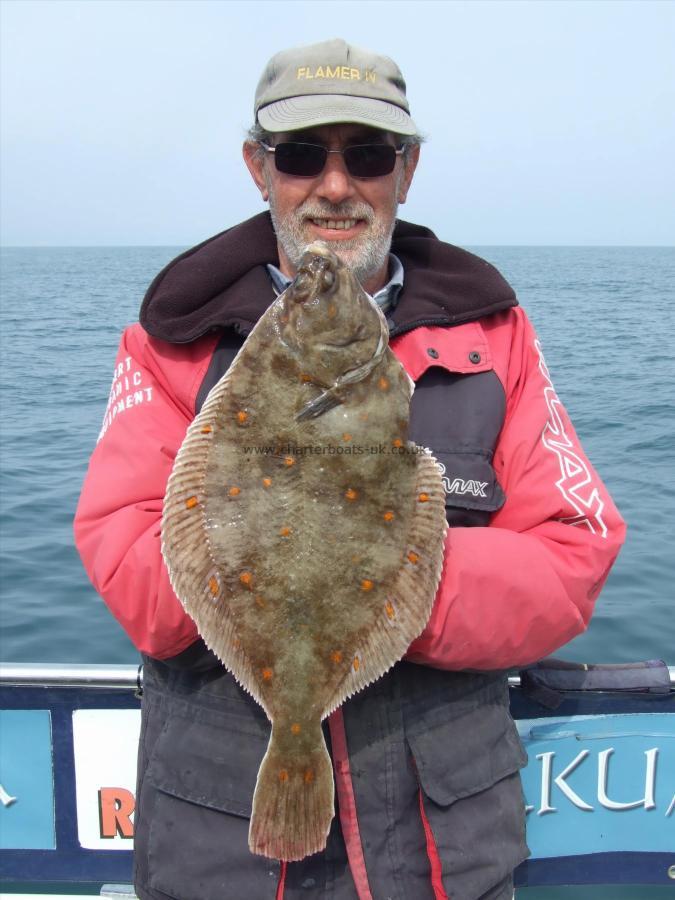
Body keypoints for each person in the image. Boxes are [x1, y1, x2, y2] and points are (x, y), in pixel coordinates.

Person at [74, 38, 626, 900]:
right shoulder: (170, 346)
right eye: (301, 156)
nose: (335, 186)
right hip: (225, 856)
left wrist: (390, 577)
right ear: (259, 168)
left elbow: (573, 555)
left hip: (445, 848)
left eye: (366, 155)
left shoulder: (494, 337)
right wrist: (316, 579)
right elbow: (130, 570)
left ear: (405, 172)